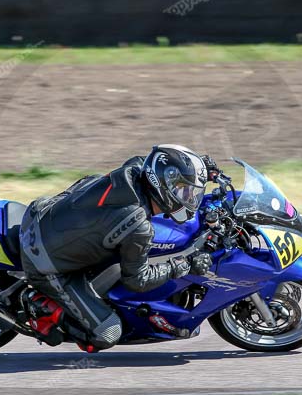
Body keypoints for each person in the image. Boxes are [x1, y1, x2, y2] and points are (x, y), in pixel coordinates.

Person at [18, 144, 217, 352]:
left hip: (42, 211)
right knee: (108, 333)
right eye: (183, 191)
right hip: (43, 260)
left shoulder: (135, 169)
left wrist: (200, 166)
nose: (189, 198)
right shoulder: (138, 226)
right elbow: (137, 280)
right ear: (163, 185)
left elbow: (158, 162)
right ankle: (41, 310)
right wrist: (183, 266)